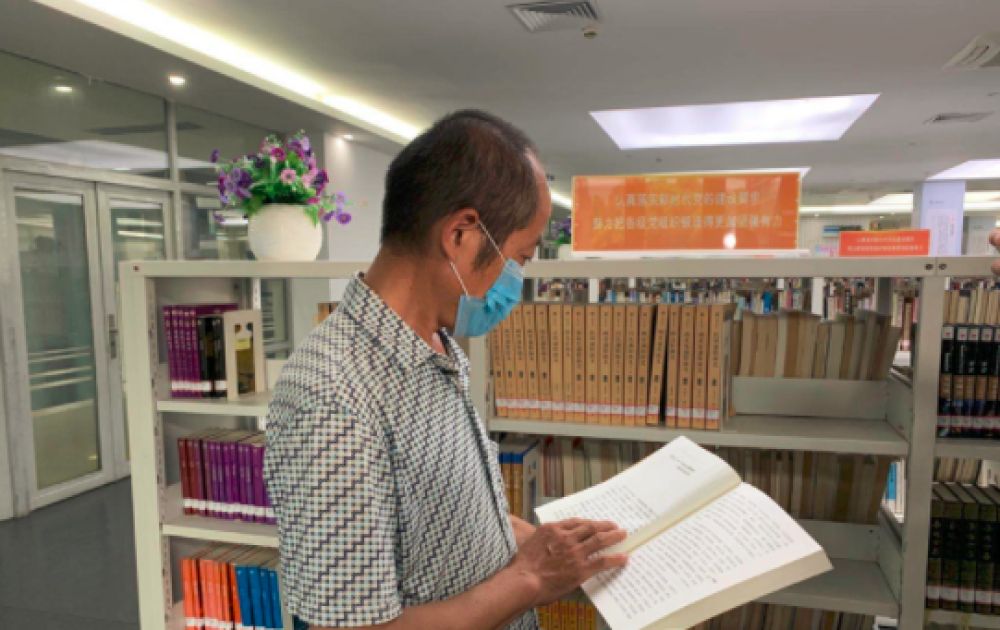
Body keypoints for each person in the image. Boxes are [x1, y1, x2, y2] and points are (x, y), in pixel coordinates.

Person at [264, 110, 628, 630]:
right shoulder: (332, 398)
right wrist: (531, 579)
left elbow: (444, 515)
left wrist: (546, 545)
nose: (516, 281)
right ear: (461, 235)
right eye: (519, 257)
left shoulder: (437, 342)